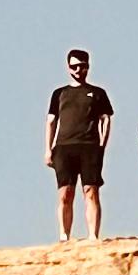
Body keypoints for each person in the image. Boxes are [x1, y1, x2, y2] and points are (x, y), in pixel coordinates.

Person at [43, 47, 114, 239]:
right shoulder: (59, 93)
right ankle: (64, 236)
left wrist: (102, 145)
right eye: (73, 66)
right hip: (64, 147)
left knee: (91, 191)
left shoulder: (97, 92)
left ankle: (93, 236)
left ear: (87, 67)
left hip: (89, 147)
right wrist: (48, 150)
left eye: (81, 66)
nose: (77, 70)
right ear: (68, 67)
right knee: (65, 193)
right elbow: (51, 121)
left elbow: (106, 119)